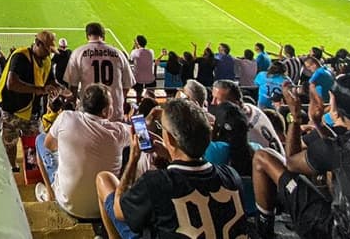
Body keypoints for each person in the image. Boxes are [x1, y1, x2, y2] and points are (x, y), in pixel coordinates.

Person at [253, 74, 350, 239]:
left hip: (344, 234)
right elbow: (340, 149)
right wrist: (319, 124)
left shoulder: (341, 148)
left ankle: (262, 231)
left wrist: (295, 116)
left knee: (263, 157)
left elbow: (291, 163)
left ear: (335, 108)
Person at [97, 98, 248, 239]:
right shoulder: (231, 176)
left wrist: (133, 159)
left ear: (169, 138)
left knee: (104, 179)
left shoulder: (154, 183)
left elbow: (119, 211)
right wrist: (170, 154)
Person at [35, 83, 130, 219]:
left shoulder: (66, 118)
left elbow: (48, 145)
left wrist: (69, 148)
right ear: (105, 111)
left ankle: (50, 194)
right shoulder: (119, 131)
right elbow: (142, 133)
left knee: (40, 139)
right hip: (104, 208)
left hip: (68, 205)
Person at [0, 30, 64, 169]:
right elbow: (12, 83)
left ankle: (32, 171)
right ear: (37, 44)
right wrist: (40, 90)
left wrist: (58, 88)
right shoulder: (20, 57)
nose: (49, 53)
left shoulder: (47, 60)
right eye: (47, 49)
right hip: (11, 111)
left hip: (32, 112)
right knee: (9, 144)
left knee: (36, 143)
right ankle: (12, 169)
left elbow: (49, 80)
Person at [64, 22, 134, 121]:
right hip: (114, 113)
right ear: (103, 36)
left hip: (88, 115)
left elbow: (73, 87)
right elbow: (127, 85)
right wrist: (117, 101)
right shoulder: (118, 54)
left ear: (87, 36)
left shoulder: (78, 53)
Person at [211, 79, 284, 154]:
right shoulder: (251, 107)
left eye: (218, 99)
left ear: (234, 103)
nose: (213, 103)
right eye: (213, 97)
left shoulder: (238, 127)